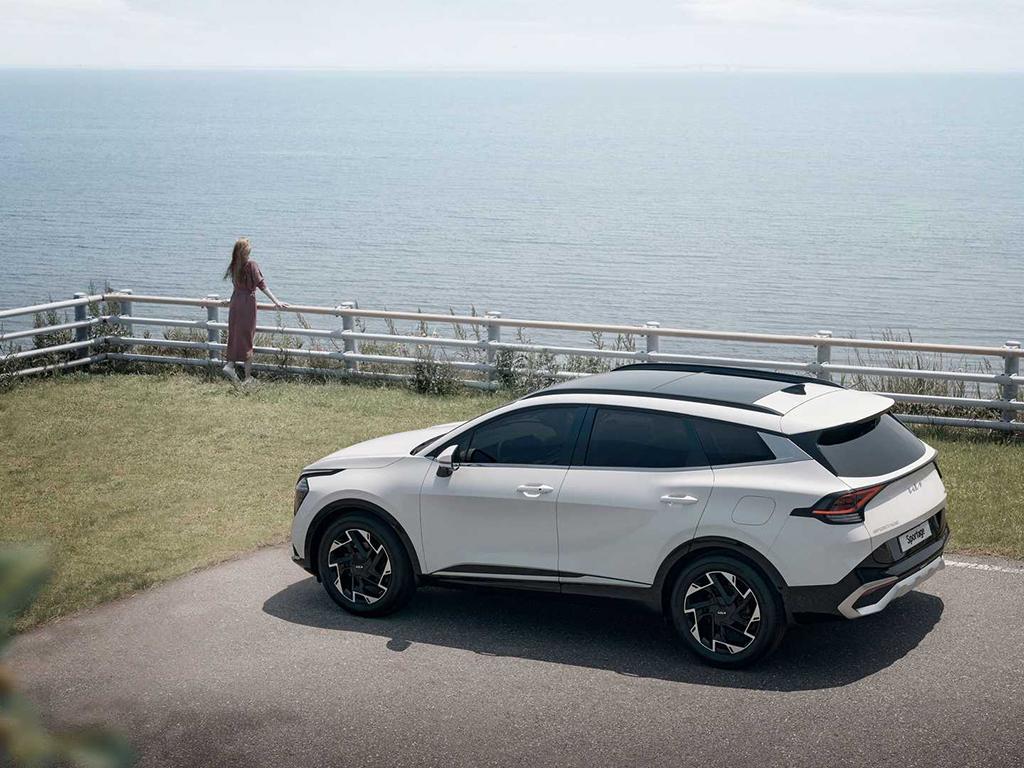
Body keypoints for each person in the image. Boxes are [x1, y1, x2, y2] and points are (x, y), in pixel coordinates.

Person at [222, 237, 289, 384]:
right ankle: (247, 377)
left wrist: (231, 299)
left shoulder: (234, 265)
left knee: (234, 335)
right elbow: (262, 285)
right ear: (246, 251)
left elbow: (236, 286)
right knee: (247, 338)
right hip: (247, 303)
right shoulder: (251, 264)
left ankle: (230, 365)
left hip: (235, 302)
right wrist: (276, 301)